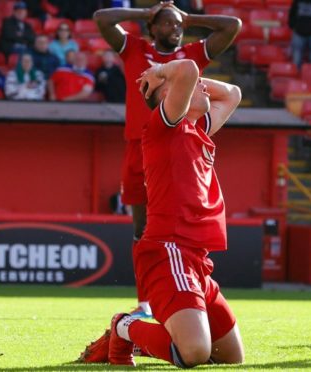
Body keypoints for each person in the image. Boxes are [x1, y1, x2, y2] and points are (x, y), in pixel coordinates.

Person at [81, 59, 244, 368]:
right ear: (167, 95)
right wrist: (158, 72)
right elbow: (188, 71)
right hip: (169, 250)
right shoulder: (165, 125)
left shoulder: (196, 128)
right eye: (191, 86)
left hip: (196, 259)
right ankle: (123, 326)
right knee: (195, 353)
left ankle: (156, 336)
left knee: (231, 358)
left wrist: (179, 81)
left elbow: (233, 94)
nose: (201, 84)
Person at [89, 1, 240, 320]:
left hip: (179, 140)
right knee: (143, 227)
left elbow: (232, 26)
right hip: (141, 145)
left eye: (179, 25)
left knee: (176, 217)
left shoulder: (192, 56)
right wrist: (145, 13)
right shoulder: (136, 49)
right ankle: (146, 301)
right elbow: (102, 19)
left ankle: (185, 286)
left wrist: (189, 18)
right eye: (168, 23)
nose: (176, 28)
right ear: (153, 28)